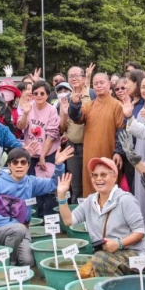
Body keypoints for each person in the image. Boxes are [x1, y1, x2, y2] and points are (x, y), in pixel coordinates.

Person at [0, 146, 73, 266]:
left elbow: (54, 184)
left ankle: (8, 251)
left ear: (28, 165)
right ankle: (9, 264)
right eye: (15, 162)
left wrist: (58, 165)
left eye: (23, 162)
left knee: (28, 261)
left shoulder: (31, 182)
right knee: (18, 229)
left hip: (21, 230)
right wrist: (9, 223)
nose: (19, 165)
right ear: (9, 165)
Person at [56, 157, 145, 276]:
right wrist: (61, 196)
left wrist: (119, 244)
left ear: (114, 176)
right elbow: (69, 220)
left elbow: (140, 232)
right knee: (92, 265)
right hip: (107, 255)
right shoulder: (90, 201)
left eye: (103, 175)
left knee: (99, 259)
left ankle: (123, 289)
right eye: (94, 175)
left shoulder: (126, 200)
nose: (98, 179)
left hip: (134, 254)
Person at [69, 72, 125, 196]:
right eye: (96, 84)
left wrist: (118, 151)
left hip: (109, 153)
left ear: (109, 84)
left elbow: (121, 129)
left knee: (109, 186)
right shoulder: (89, 105)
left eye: (102, 83)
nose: (99, 86)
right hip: (90, 154)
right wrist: (75, 103)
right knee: (90, 186)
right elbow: (76, 118)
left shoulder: (117, 105)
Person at [18, 80, 61, 216]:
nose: (39, 96)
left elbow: (51, 134)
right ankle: (32, 217)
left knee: (48, 187)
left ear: (47, 95)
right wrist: (25, 114)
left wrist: (43, 155)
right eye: (35, 93)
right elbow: (21, 126)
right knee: (30, 186)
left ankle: (48, 219)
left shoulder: (52, 110)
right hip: (30, 154)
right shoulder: (28, 107)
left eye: (42, 93)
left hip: (48, 153)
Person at [59, 66, 92, 202]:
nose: (73, 78)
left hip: (90, 146)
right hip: (72, 147)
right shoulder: (65, 98)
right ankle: (76, 218)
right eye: (70, 76)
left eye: (77, 75)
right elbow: (62, 128)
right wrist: (65, 115)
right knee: (75, 185)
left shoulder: (92, 95)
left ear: (84, 78)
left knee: (91, 182)